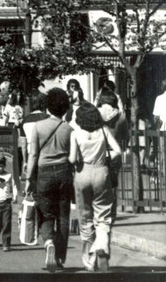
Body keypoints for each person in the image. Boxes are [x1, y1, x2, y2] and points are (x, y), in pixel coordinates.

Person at [25, 86, 73, 273]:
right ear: (65, 108)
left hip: (43, 173)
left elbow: (33, 155)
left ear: (47, 106)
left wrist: (29, 178)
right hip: (64, 173)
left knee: (45, 213)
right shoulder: (68, 129)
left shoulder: (38, 127)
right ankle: (60, 257)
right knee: (63, 216)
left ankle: (49, 242)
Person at [70, 101, 122, 272]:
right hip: (101, 172)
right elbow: (118, 151)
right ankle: (102, 246)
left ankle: (89, 260)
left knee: (85, 216)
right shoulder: (103, 131)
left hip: (82, 173)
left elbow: (72, 159)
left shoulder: (76, 133)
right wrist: (105, 158)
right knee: (103, 215)